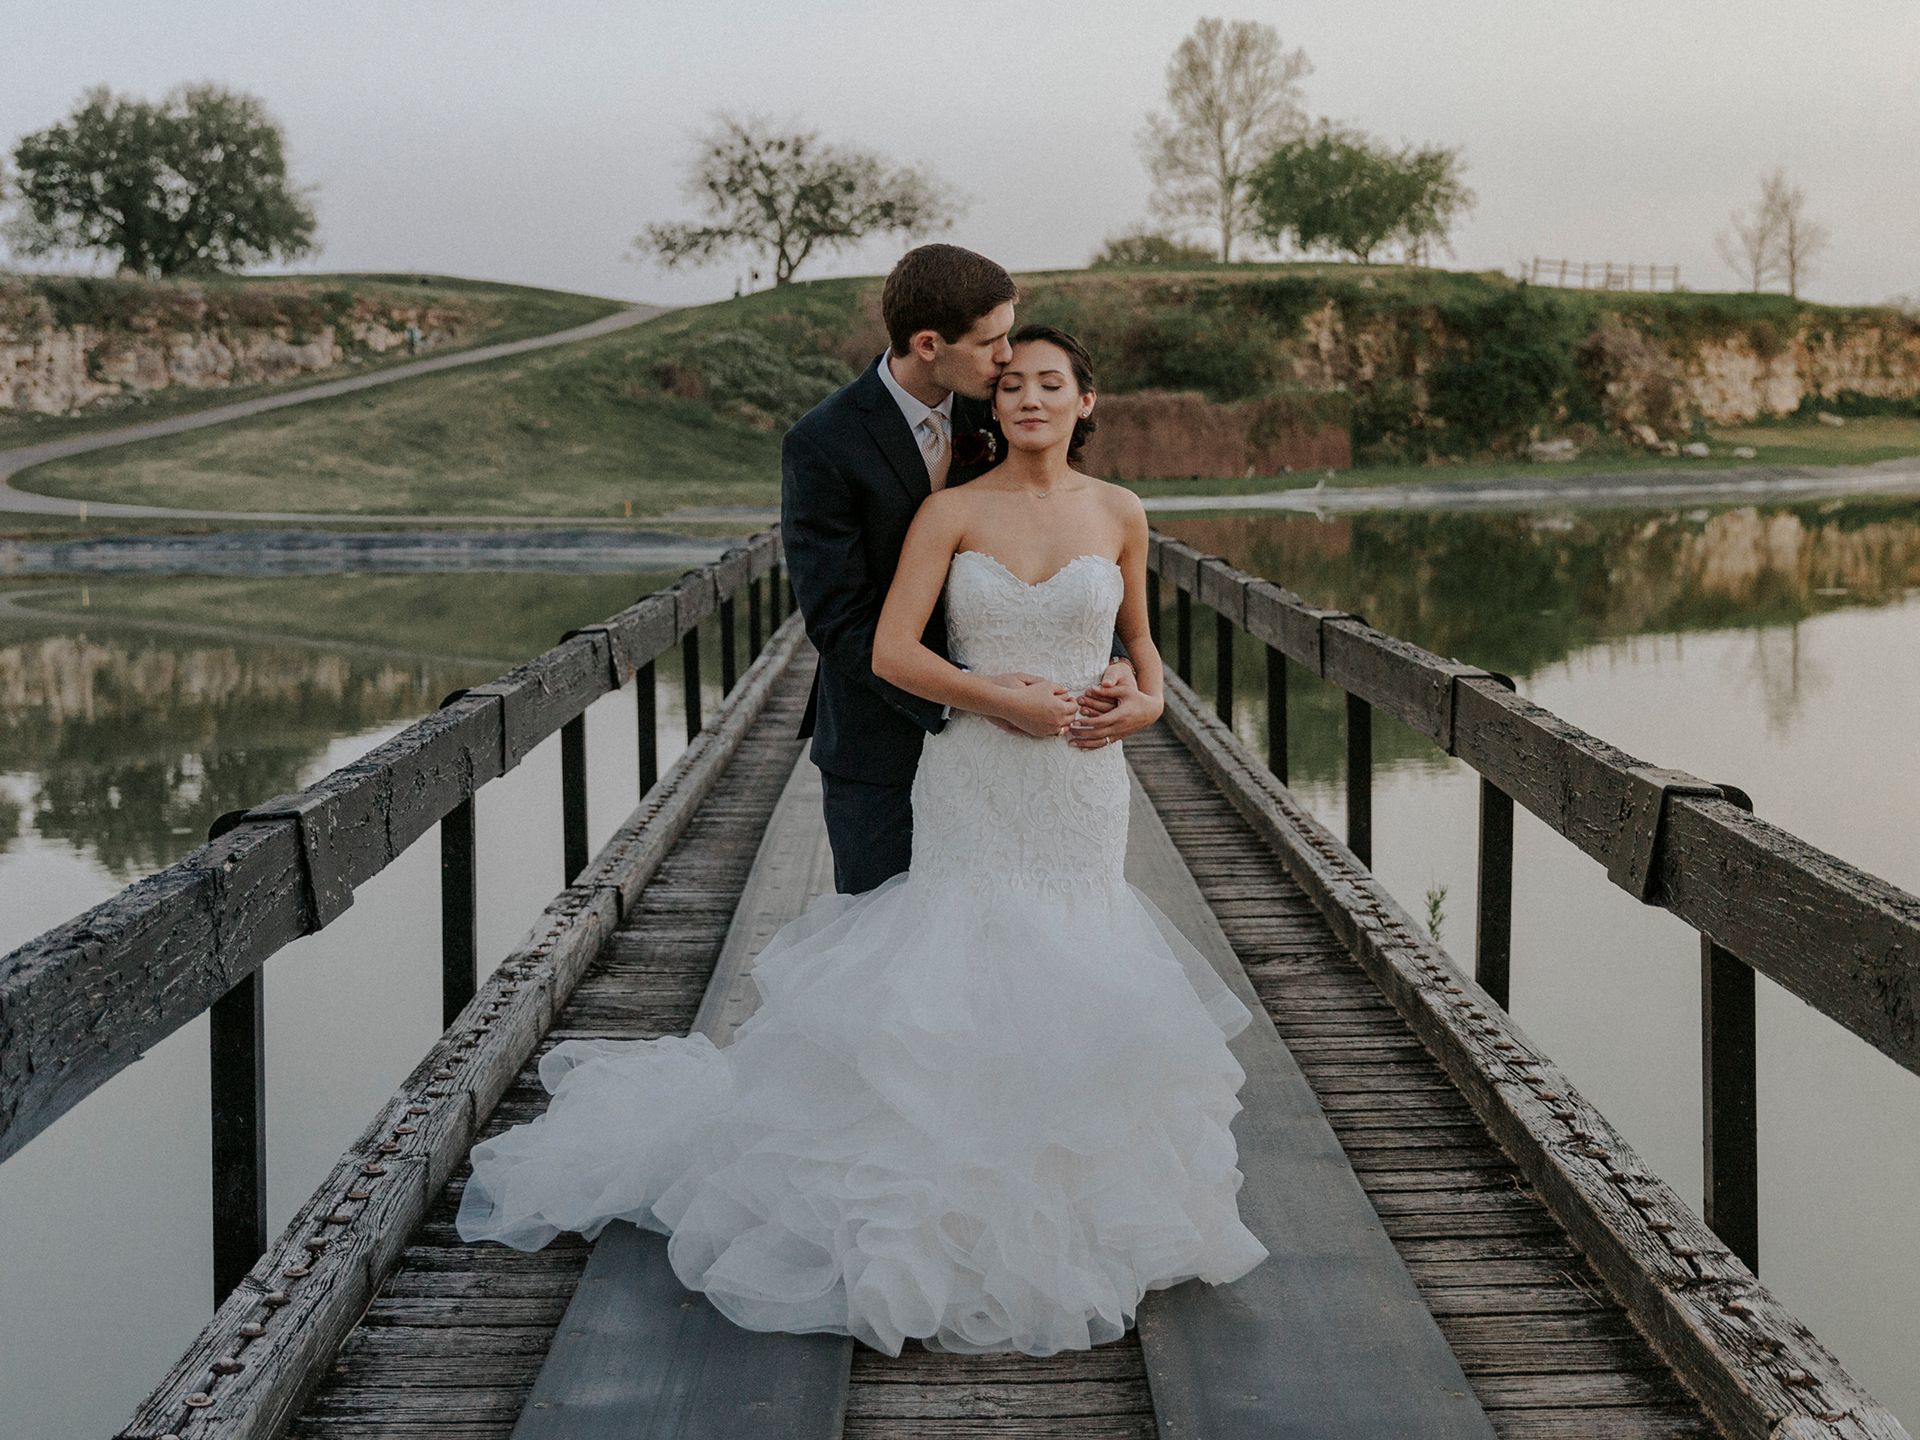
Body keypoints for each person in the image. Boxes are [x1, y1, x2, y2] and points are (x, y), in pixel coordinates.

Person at [456, 324, 1268, 1357]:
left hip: (1081, 784)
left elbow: (1145, 653)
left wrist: (1136, 704)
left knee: (1075, 953)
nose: (1026, 397)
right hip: (976, 769)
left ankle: (1071, 1198)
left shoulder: (1122, 512)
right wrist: (992, 700)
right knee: (969, 952)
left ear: (1086, 403)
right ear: (994, 403)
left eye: (1049, 383)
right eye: (1011, 382)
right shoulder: (949, 511)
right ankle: (944, 1198)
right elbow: (887, 649)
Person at [777, 244, 1155, 894]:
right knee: (892, 949)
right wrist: (983, 703)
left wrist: (1112, 660)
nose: (1010, 359)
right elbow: (840, 621)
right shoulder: (823, 443)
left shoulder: (998, 405)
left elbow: (1068, 544)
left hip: (1037, 747)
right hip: (882, 737)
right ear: (929, 344)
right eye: (992, 342)